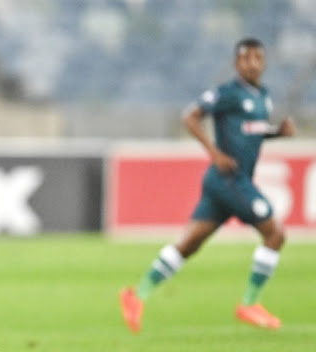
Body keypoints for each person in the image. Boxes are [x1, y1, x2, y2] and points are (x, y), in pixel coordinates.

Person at [119, 38, 295, 333]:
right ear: (236, 63)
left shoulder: (263, 97)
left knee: (189, 244)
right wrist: (214, 153)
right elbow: (190, 116)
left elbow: (251, 131)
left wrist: (277, 133)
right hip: (229, 180)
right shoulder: (227, 93)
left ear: (264, 63)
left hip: (225, 184)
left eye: (258, 58)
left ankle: (137, 295)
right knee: (275, 234)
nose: (252, 64)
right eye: (246, 58)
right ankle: (250, 304)